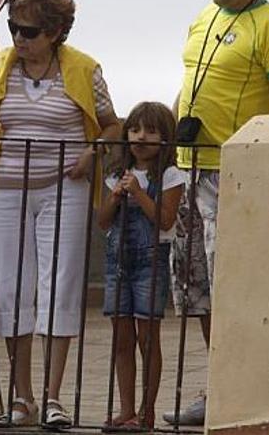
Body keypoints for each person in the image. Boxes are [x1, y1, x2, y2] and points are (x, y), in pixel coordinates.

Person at [0, 0, 120, 427]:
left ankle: (52, 397)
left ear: (54, 32)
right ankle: (21, 396)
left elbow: (111, 124)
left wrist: (92, 152)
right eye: (14, 27)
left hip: (64, 189)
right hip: (8, 192)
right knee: (12, 288)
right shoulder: (2, 67)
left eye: (29, 31)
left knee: (61, 286)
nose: (19, 38)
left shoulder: (85, 70)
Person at [167, 0, 269, 425]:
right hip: (190, 168)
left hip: (235, 175)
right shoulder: (203, 19)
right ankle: (220, 385)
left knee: (232, 287)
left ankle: (243, 391)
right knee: (197, 289)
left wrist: (255, 167)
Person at [97, 102, 184, 430]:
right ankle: (126, 409)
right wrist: (116, 196)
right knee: (121, 338)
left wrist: (140, 193)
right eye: (135, 130)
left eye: (150, 130)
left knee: (148, 338)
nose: (141, 137)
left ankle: (147, 412)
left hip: (151, 264)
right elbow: (104, 222)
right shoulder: (115, 174)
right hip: (117, 262)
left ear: (164, 138)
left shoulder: (170, 176)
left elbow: (164, 220)